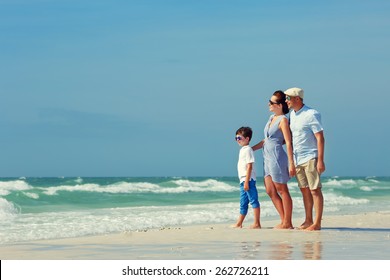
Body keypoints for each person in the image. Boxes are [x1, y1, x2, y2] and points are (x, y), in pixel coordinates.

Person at [252, 91, 295, 229]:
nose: (269, 104)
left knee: (282, 189)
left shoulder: (283, 120)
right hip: (267, 158)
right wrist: (251, 149)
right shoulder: (272, 118)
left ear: (280, 105)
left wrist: (291, 163)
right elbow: (266, 140)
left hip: (277, 157)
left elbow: (288, 141)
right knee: (270, 191)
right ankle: (283, 220)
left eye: (272, 102)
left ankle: (288, 222)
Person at [285, 87, 325, 231]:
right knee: (304, 190)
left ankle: (317, 223)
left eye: (288, 98)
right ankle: (308, 220)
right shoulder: (292, 115)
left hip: (311, 157)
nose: (286, 101)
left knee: (315, 190)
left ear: (297, 98)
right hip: (298, 159)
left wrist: (320, 160)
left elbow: (320, 138)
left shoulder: (311, 114)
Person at [233, 126, 261, 229]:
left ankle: (257, 223)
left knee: (253, 200)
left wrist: (246, 181)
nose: (237, 140)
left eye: (239, 138)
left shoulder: (248, 149)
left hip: (248, 180)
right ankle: (239, 223)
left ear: (247, 138)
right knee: (243, 202)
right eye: (236, 138)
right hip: (243, 180)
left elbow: (249, 166)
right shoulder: (242, 150)